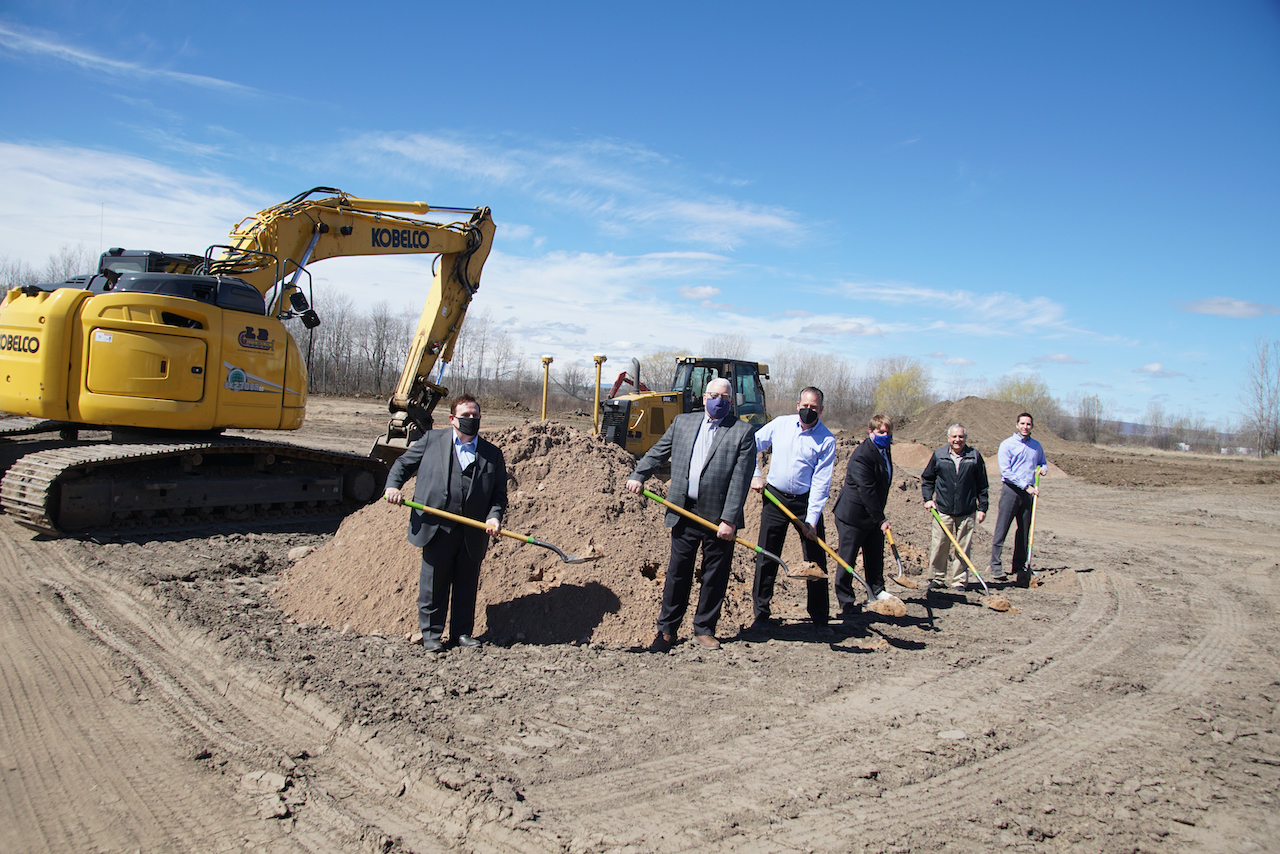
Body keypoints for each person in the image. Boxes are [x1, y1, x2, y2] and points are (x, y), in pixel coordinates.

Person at [626, 378, 757, 651]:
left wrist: (730, 519)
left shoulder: (742, 432)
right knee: (677, 573)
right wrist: (640, 474)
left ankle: (704, 629)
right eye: (714, 395)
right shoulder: (683, 422)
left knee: (714, 575)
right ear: (704, 396)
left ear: (731, 402)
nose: (719, 400)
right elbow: (659, 452)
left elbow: (740, 479)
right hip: (683, 510)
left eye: (725, 397)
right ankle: (667, 631)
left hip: (718, 517)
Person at [383, 393, 508, 652]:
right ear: (452, 419)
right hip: (436, 526)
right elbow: (402, 465)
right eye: (465, 416)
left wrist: (494, 516)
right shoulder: (431, 441)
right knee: (434, 583)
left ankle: (461, 634)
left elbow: (498, 494)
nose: (471, 419)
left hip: (472, 530)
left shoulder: (492, 454)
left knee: (466, 584)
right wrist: (393, 487)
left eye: (475, 415)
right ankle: (431, 635)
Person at [748, 386, 837, 634]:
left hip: (805, 503)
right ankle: (761, 614)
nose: (809, 411)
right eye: (805, 406)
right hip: (774, 498)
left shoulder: (827, 440)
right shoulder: (780, 425)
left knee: (816, 561)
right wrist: (755, 475)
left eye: (814, 407)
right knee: (767, 555)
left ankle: (819, 618)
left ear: (821, 409)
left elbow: (821, 482)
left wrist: (812, 520)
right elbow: (750, 445)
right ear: (798, 405)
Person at [832, 414, 896, 616]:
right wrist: (881, 519)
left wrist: (878, 518)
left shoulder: (885, 450)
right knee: (847, 560)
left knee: (875, 555)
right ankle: (846, 601)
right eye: (880, 432)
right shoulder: (862, 455)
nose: (885, 435)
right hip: (853, 516)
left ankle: (876, 593)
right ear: (871, 432)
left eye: (887, 432)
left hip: (873, 515)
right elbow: (866, 490)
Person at [921, 423, 989, 591]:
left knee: (963, 548)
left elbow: (982, 484)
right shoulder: (939, 455)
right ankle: (937, 578)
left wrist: (983, 508)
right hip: (943, 510)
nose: (957, 440)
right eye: (954, 437)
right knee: (939, 545)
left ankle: (959, 580)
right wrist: (928, 499)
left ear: (965, 438)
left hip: (967, 510)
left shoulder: (974, 456)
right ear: (948, 438)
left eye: (961, 436)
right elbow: (927, 479)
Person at [990, 411, 1048, 588]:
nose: (1025, 427)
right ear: (1017, 425)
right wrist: (1025, 486)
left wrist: (1043, 469)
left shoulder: (1036, 446)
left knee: (1024, 531)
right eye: (1022, 424)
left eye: (1028, 424)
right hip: (1011, 490)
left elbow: (1043, 462)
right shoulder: (1007, 445)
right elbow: (1006, 472)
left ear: (1032, 426)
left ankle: (1019, 566)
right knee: (1002, 528)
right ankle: (996, 566)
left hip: (1028, 493)